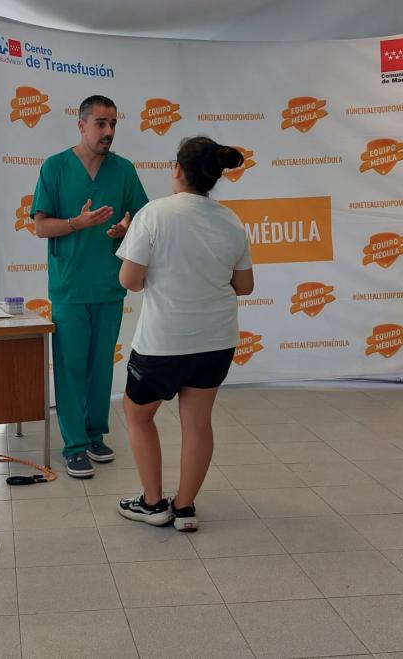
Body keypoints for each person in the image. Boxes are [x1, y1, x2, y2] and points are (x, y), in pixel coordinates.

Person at [115, 136, 254, 531]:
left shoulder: (153, 214)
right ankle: (186, 508)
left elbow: (130, 281)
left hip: (164, 342)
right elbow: (244, 286)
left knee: (137, 414)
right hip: (216, 341)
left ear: (177, 169)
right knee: (197, 422)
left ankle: (153, 503)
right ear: (213, 177)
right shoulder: (231, 220)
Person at [31, 94, 148, 478]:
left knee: (101, 365)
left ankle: (95, 433)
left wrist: (125, 229)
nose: (109, 131)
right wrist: (75, 224)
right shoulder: (55, 168)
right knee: (70, 366)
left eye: (113, 123)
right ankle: (74, 444)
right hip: (69, 286)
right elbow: (40, 225)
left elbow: (142, 220)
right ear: (81, 125)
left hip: (108, 284)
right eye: (100, 123)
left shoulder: (124, 171)